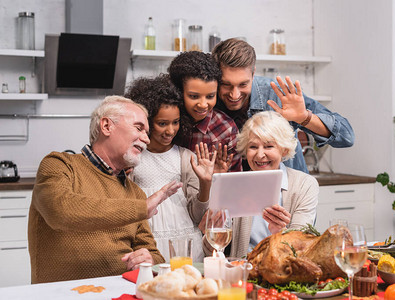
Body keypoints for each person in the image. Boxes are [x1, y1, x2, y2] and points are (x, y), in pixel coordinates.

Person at [28, 96, 182, 284]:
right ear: (107, 126)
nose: (146, 139)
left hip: (119, 292)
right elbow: (60, 211)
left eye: (147, 132)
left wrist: (148, 260)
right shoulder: (59, 165)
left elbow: (154, 255)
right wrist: (141, 208)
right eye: (139, 128)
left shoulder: (135, 192)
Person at [211, 38, 355, 172]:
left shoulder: (277, 94)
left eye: (243, 84)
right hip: (236, 194)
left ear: (253, 73)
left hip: (288, 195)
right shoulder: (208, 100)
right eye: (226, 84)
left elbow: (346, 137)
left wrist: (304, 117)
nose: (234, 95)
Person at [202, 111, 319, 258]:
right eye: (253, 147)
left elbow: (301, 248)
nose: (260, 155)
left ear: (284, 150)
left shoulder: (305, 185)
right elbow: (211, 251)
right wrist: (211, 230)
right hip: (243, 272)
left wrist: (281, 232)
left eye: (269, 146)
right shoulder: (235, 185)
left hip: (284, 271)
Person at [125, 75, 215, 262]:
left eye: (175, 122)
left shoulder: (186, 158)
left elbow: (197, 216)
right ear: (147, 122)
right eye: (162, 123)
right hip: (147, 242)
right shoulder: (133, 157)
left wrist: (206, 184)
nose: (171, 130)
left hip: (186, 243)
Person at [168, 51, 242, 172]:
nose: (203, 105)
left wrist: (218, 177)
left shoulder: (226, 129)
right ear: (178, 92)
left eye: (210, 96)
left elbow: (235, 182)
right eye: (194, 96)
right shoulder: (165, 120)